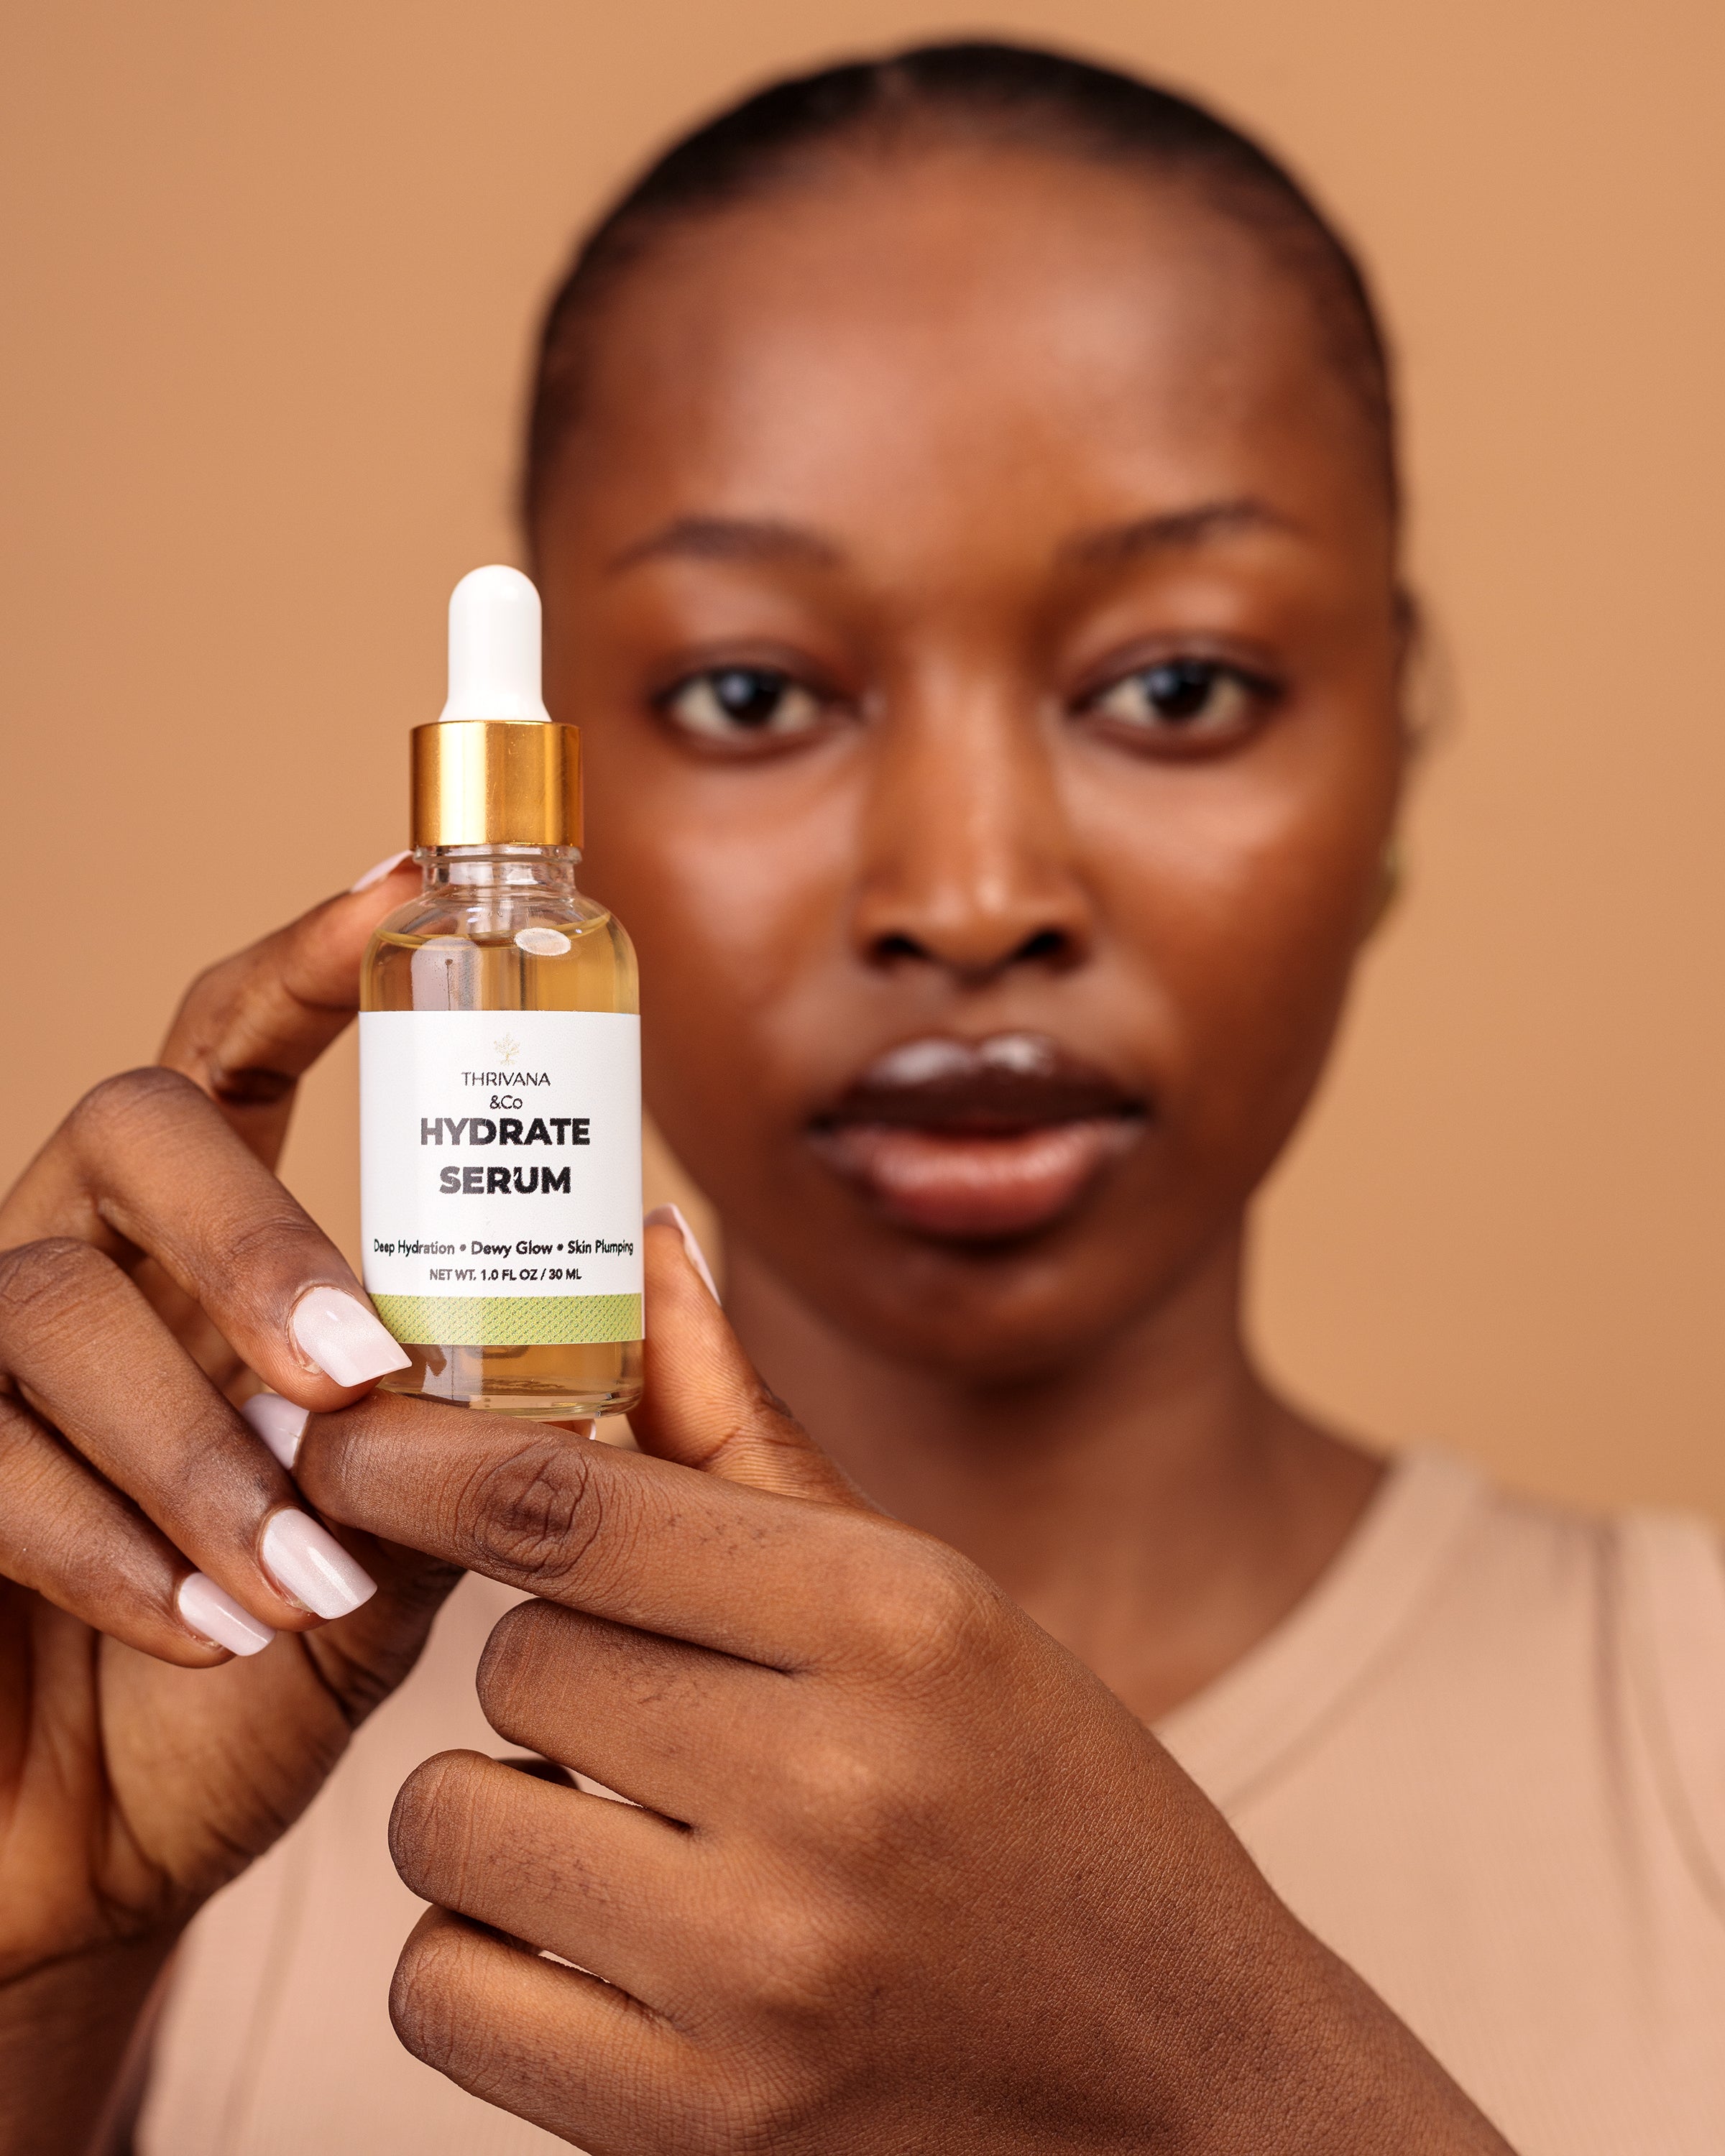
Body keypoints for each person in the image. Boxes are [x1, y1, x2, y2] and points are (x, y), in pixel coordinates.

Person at [1, 39, 1721, 2156]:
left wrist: (1227, 2083)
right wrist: (39, 1963)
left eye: (1174, 685)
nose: (967, 893)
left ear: (1394, 744)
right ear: (561, 790)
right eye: (751, 693)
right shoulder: (188, 1754)